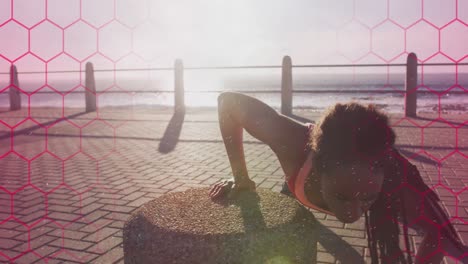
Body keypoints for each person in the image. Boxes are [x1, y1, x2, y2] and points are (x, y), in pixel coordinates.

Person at [209, 92, 467, 264]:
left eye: (367, 198)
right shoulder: (292, 143)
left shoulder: (397, 184)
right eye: (342, 197)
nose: (353, 214)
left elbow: (439, 235)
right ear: (319, 168)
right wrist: (241, 177)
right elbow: (227, 103)